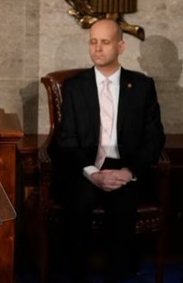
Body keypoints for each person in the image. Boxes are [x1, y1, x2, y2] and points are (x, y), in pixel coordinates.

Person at [51, 18, 165, 281]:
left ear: (121, 46)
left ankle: (118, 275)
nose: (97, 48)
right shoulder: (75, 86)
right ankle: (78, 274)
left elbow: (154, 137)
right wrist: (92, 172)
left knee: (124, 206)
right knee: (78, 203)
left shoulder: (142, 86)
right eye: (93, 41)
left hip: (125, 167)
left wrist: (129, 171)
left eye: (105, 42)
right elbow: (66, 139)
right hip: (87, 166)